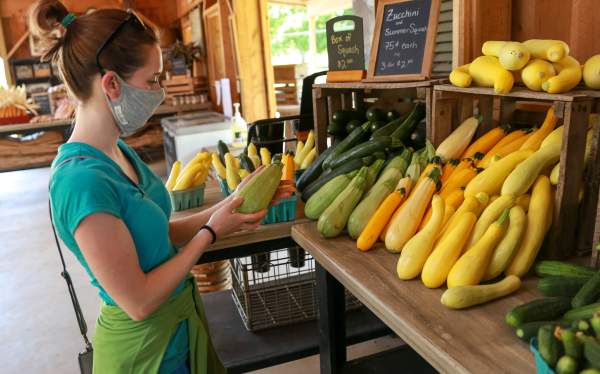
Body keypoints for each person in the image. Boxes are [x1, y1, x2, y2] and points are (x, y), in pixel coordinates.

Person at [29, 1, 292, 373]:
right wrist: (210, 233)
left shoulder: (117, 151)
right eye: (152, 79)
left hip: (178, 330)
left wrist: (232, 205)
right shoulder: (80, 182)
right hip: (144, 354)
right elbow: (139, 300)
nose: (160, 91)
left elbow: (155, 234)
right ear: (111, 84)